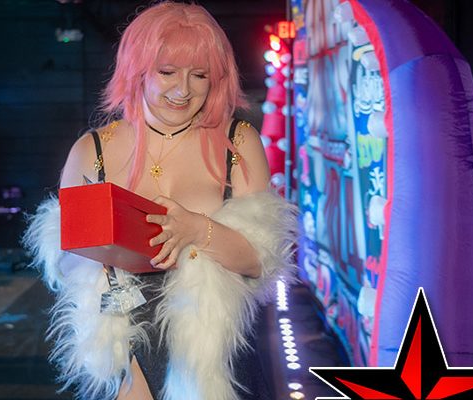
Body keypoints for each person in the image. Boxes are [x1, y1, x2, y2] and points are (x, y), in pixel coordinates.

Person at [24, 3, 297, 399]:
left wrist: (198, 230)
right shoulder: (92, 151)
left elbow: (261, 260)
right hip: (124, 349)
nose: (183, 90)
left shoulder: (237, 143)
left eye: (199, 75)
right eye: (167, 72)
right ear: (137, 71)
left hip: (215, 354)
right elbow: (67, 266)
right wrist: (103, 250)